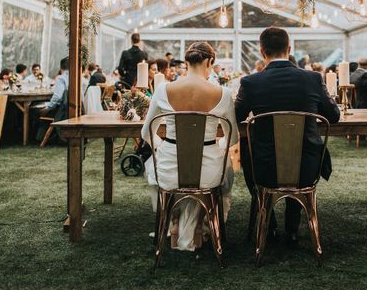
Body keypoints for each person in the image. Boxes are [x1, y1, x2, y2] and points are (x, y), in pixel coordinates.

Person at [235, 27, 340, 243]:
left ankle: (269, 224)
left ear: (261, 51)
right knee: (298, 154)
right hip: (306, 167)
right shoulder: (312, 78)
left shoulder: (250, 83)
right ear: (289, 49)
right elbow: (334, 116)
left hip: (265, 167)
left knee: (248, 151)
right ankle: (292, 228)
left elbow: (237, 116)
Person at [141, 42, 238, 251]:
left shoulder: (162, 89)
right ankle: (205, 228)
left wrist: (162, 147)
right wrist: (217, 147)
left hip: (169, 172)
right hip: (208, 175)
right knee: (226, 169)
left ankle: (170, 224)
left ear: (186, 62)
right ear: (210, 62)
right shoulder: (224, 93)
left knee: (152, 167)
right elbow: (233, 139)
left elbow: (146, 133)